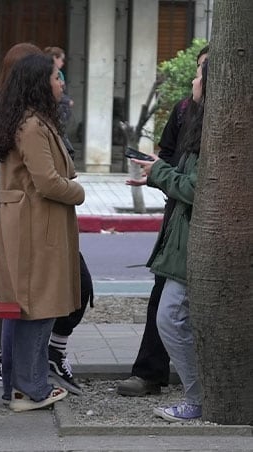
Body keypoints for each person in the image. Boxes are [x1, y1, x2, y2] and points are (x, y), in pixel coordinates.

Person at [0, 43, 93, 396]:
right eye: (56, 77)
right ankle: (31, 388)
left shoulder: (31, 119)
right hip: (35, 228)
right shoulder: (30, 125)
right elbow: (47, 181)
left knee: (35, 306)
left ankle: (23, 384)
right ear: (40, 83)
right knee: (37, 307)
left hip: (35, 225)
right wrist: (79, 192)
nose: (61, 83)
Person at [117, 45, 209, 397]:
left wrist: (162, 173)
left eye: (201, 72)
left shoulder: (221, 122)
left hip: (201, 226)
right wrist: (157, 172)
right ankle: (152, 373)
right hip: (179, 221)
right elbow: (172, 160)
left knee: (173, 310)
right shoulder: (185, 111)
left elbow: (194, 183)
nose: (194, 78)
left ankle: (198, 390)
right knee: (166, 302)